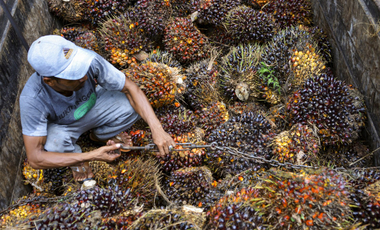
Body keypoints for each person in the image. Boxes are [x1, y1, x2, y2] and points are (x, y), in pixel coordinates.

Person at [20, 35, 175, 182]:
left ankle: (99, 136)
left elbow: (130, 88)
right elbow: (35, 158)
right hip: (64, 127)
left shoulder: (89, 59)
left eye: (80, 68)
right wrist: (89, 156)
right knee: (54, 143)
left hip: (94, 105)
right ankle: (76, 157)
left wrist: (157, 129)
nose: (84, 77)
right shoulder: (32, 99)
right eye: (74, 75)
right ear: (50, 81)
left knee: (131, 104)